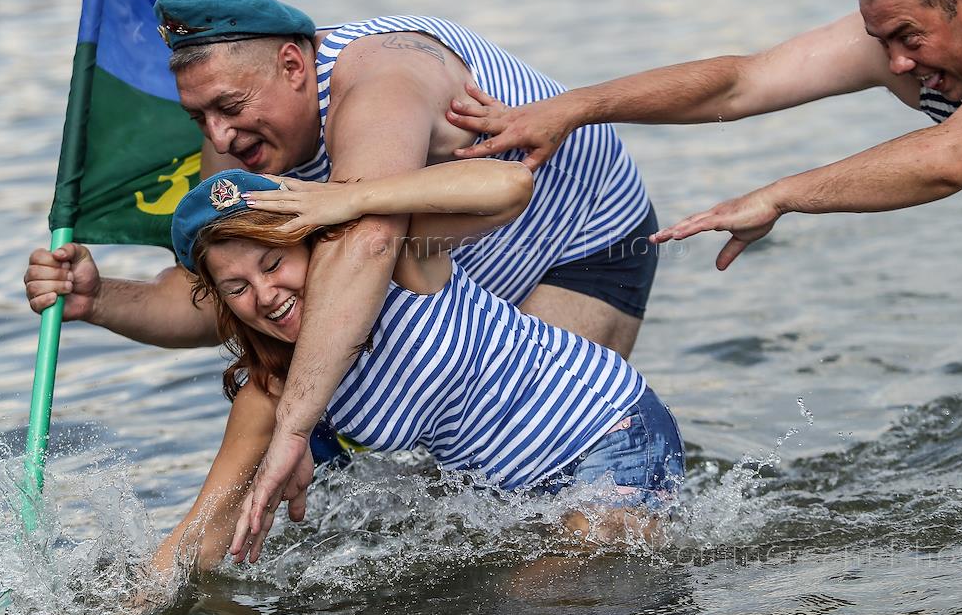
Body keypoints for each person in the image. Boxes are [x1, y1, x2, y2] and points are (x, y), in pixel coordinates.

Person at [25, 0, 657, 556]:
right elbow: (219, 297)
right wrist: (101, 298)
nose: (217, 135)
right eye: (199, 118)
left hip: (577, 235)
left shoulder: (378, 83)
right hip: (442, 257)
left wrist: (294, 429)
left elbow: (370, 243)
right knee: (464, 498)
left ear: (294, 67)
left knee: (541, 527)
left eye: (228, 106)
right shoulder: (234, 155)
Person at [446, 0, 962, 297]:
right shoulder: (909, 51)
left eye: (909, 37)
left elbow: (950, 159)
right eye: (883, 43)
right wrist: (575, 107)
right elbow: (741, 83)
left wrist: (780, 195)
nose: (898, 65)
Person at [145, 162, 682, 576]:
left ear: (310, 243)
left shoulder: (397, 262)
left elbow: (511, 184)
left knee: (544, 599)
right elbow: (203, 528)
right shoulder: (273, 391)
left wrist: (350, 199)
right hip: (518, 499)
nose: (265, 295)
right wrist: (120, 606)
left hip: (611, 431)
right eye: (236, 288)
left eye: (274, 262)